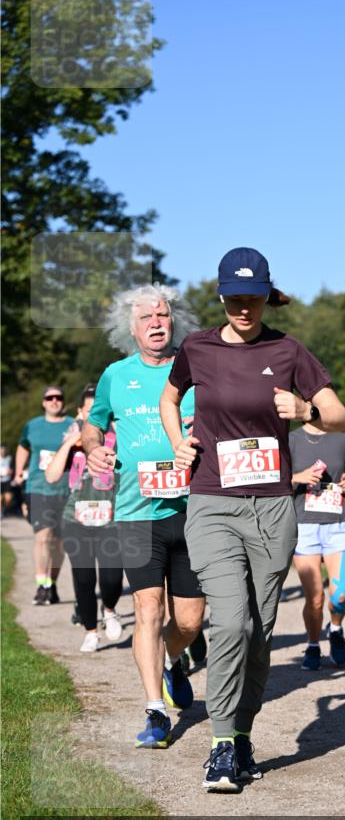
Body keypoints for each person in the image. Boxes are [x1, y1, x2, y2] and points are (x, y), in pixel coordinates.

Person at [160, 246, 345, 792]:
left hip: (272, 507)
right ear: (221, 296)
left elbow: (340, 416)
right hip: (212, 502)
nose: (245, 307)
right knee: (231, 621)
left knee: (261, 631)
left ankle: (242, 732)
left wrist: (306, 410)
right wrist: (179, 444)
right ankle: (220, 745)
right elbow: (169, 399)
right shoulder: (195, 348)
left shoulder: (289, 351)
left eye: (254, 297)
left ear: (268, 295)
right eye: (235, 297)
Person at [82, 284, 205, 749]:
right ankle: (155, 711)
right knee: (148, 608)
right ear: (129, 329)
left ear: (173, 322)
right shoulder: (116, 374)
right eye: (146, 318)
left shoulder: (195, 369)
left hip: (193, 510)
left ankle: (174, 660)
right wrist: (94, 450)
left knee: (191, 621)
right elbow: (93, 425)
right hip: (137, 512)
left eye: (163, 315)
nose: (156, 323)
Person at [45, 384, 124, 652]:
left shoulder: (118, 439)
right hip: (76, 520)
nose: (94, 418)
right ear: (80, 413)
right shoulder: (72, 445)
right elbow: (52, 476)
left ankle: (110, 608)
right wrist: (69, 442)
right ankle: (91, 631)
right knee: (84, 578)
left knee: (112, 578)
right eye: (89, 412)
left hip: (111, 520)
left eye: (99, 412)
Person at [289, 423, 345, 671]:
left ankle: (336, 628)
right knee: (315, 598)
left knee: (339, 595)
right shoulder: (290, 438)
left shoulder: (342, 438)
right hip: (305, 527)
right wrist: (298, 477)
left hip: (338, 525)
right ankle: (313, 644)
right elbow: (275, 479)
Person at [14, 386, 76, 604]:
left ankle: (53, 584)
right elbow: (23, 447)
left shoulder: (73, 425)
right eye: (50, 397)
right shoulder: (33, 426)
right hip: (39, 488)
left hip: (67, 489)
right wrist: (18, 473)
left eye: (59, 397)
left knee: (59, 542)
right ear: (43, 402)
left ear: (63, 401)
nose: (54, 401)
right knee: (42, 537)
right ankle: (42, 585)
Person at [0, 445, 14, 516]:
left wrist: (10, 471)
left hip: (7, 480)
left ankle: (4, 510)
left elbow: (12, 469)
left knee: (8, 498)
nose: (2, 451)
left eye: (4, 450)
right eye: (1, 450)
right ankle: (1, 512)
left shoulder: (9, 458)